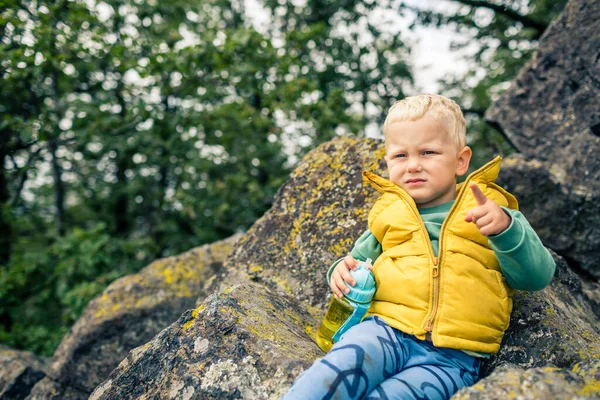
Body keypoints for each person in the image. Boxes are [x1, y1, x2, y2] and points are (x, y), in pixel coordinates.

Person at [282, 94, 556, 400]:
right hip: (381, 331)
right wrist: (340, 272)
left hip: (452, 358)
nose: (413, 165)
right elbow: (355, 263)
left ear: (461, 160)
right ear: (387, 162)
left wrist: (505, 229)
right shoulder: (389, 215)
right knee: (330, 375)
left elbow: (537, 276)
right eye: (400, 156)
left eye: (428, 152)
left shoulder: (490, 211)